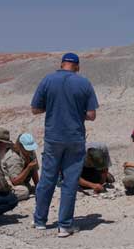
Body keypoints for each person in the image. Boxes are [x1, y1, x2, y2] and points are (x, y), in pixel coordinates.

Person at [31, 52, 99, 237]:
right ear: (77, 66)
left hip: (53, 137)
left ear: (61, 64)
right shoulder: (84, 83)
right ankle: (65, 225)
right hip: (75, 138)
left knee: (47, 178)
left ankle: (40, 220)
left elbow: (35, 109)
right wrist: (77, 113)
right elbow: (91, 115)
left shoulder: (47, 80)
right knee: (70, 182)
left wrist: (52, 107)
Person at [2, 133, 39, 201]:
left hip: (21, 181)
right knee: (24, 192)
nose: (30, 151)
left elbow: (34, 170)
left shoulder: (31, 152)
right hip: (8, 182)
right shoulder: (14, 157)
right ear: (20, 146)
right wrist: (28, 168)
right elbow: (15, 181)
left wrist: (38, 186)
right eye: (27, 149)